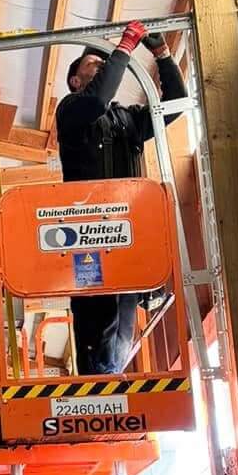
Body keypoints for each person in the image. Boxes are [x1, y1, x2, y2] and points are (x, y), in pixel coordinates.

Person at [54, 21, 186, 375]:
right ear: (75, 81)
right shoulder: (71, 111)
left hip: (127, 236)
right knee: (97, 317)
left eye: (104, 62)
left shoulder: (128, 119)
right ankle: (97, 387)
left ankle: (112, 383)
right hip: (89, 238)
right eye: (90, 65)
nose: (100, 65)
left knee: (124, 320)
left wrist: (163, 56)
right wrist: (123, 47)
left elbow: (174, 107)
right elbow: (96, 98)